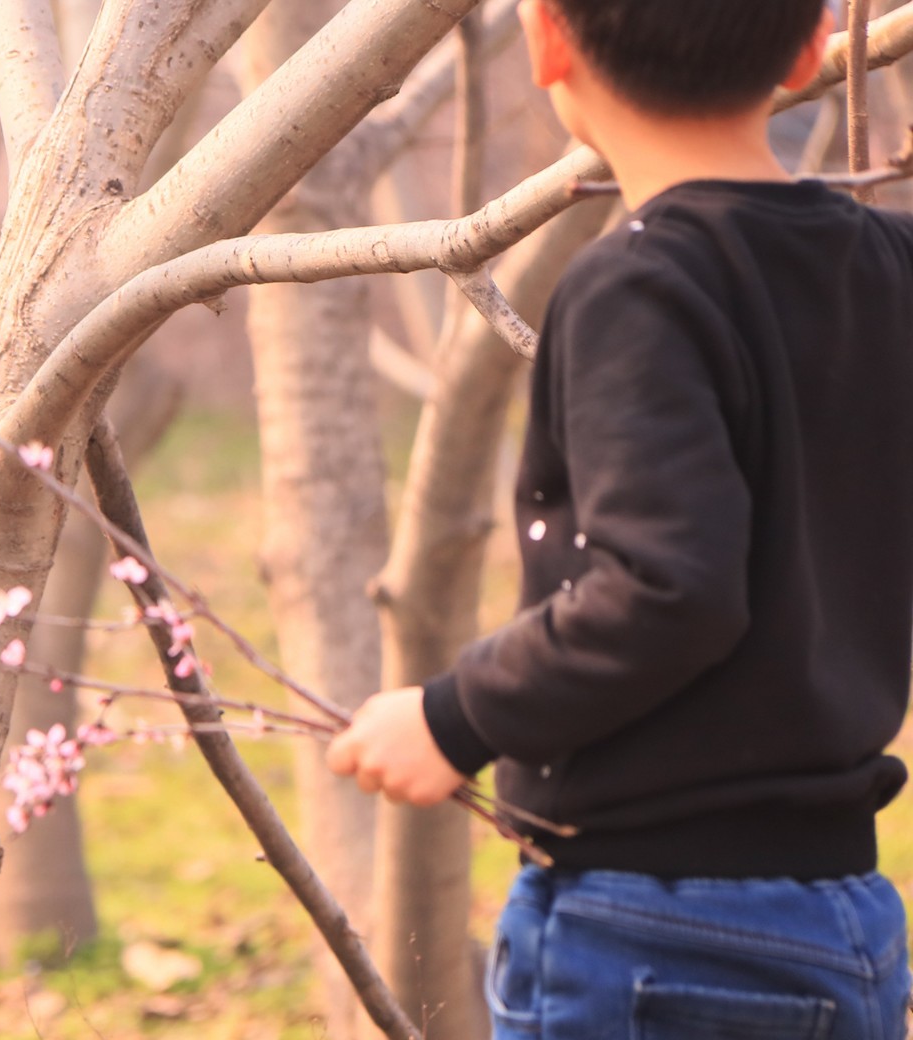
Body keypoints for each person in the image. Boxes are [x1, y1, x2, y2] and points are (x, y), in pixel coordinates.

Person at [326, 0, 913, 1036]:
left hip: (650, 933)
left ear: (547, 38)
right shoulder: (888, 265)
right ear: (810, 46)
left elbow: (666, 586)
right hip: (843, 915)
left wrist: (453, 717)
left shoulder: (638, 285)